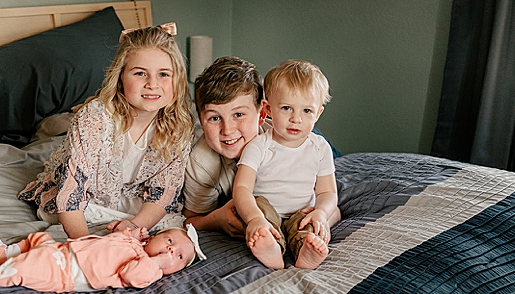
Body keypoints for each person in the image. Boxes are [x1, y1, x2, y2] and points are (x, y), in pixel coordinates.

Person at [24, 25, 195, 240]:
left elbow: (163, 193)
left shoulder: (179, 124)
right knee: (69, 215)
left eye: (163, 74)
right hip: (85, 198)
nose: (152, 84)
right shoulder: (95, 119)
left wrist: (133, 226)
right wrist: (85, 244)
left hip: (132, 196)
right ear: (121, 77)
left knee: (173, 222)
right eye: (140, 73)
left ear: (177, 79)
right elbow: (71, 197)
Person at [232, 60, 339, 272]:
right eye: (287, 108)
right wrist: (254, 218)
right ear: (268, 109)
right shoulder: (259, 146)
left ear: (318, 114)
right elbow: (242, 189)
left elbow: (328, 191)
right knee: (257, 209)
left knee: (312, 223)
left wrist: (321, 212)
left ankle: (305, 249)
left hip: (301, 211)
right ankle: (270, 246)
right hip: (266, 212)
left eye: (307, 111)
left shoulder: (319, 147)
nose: (296, 119)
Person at [0, 225, 202, 294]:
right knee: (38, 239)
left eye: (178, 256)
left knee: (29, 267)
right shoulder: (135, 244)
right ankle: (2, 255)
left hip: (69, 274)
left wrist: (157, 263)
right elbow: (112, 242)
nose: (170, 252)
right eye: (169, 241)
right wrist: (129, 233)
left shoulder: (150, 269)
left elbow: (131, 276)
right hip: (66, 251)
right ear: (155, 236)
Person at [185, 57, 264, 238]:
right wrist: (217, 220)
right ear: (202, 122)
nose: (227, 130)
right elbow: (191, 219)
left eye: (238, 114)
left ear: (261, 115)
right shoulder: (202, 161)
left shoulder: (281, 144)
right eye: (214, 118)